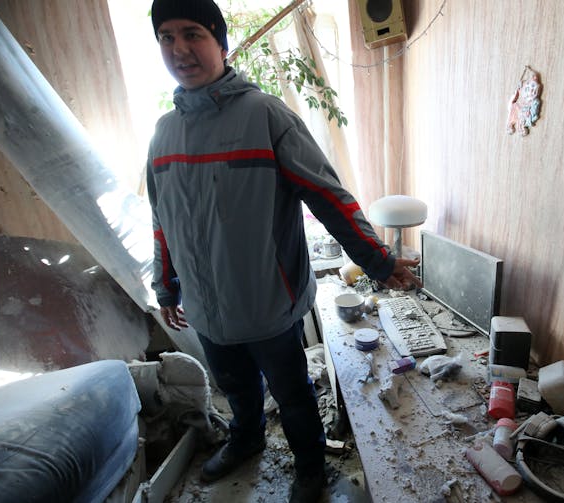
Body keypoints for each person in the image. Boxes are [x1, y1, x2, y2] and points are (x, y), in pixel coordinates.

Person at [146, 1, 421, 501]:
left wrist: (378, 259)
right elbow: (162, 220)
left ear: (221, 43)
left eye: (192, 34)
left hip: (269, 304)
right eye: (167, 37)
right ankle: (246, 440)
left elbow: (329, 196)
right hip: (208, 311)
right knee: (237, 390)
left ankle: (310, 468)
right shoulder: (163, 135)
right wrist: (166, 285)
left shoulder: (266, 116)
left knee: (293, 397)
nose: (180, 49)